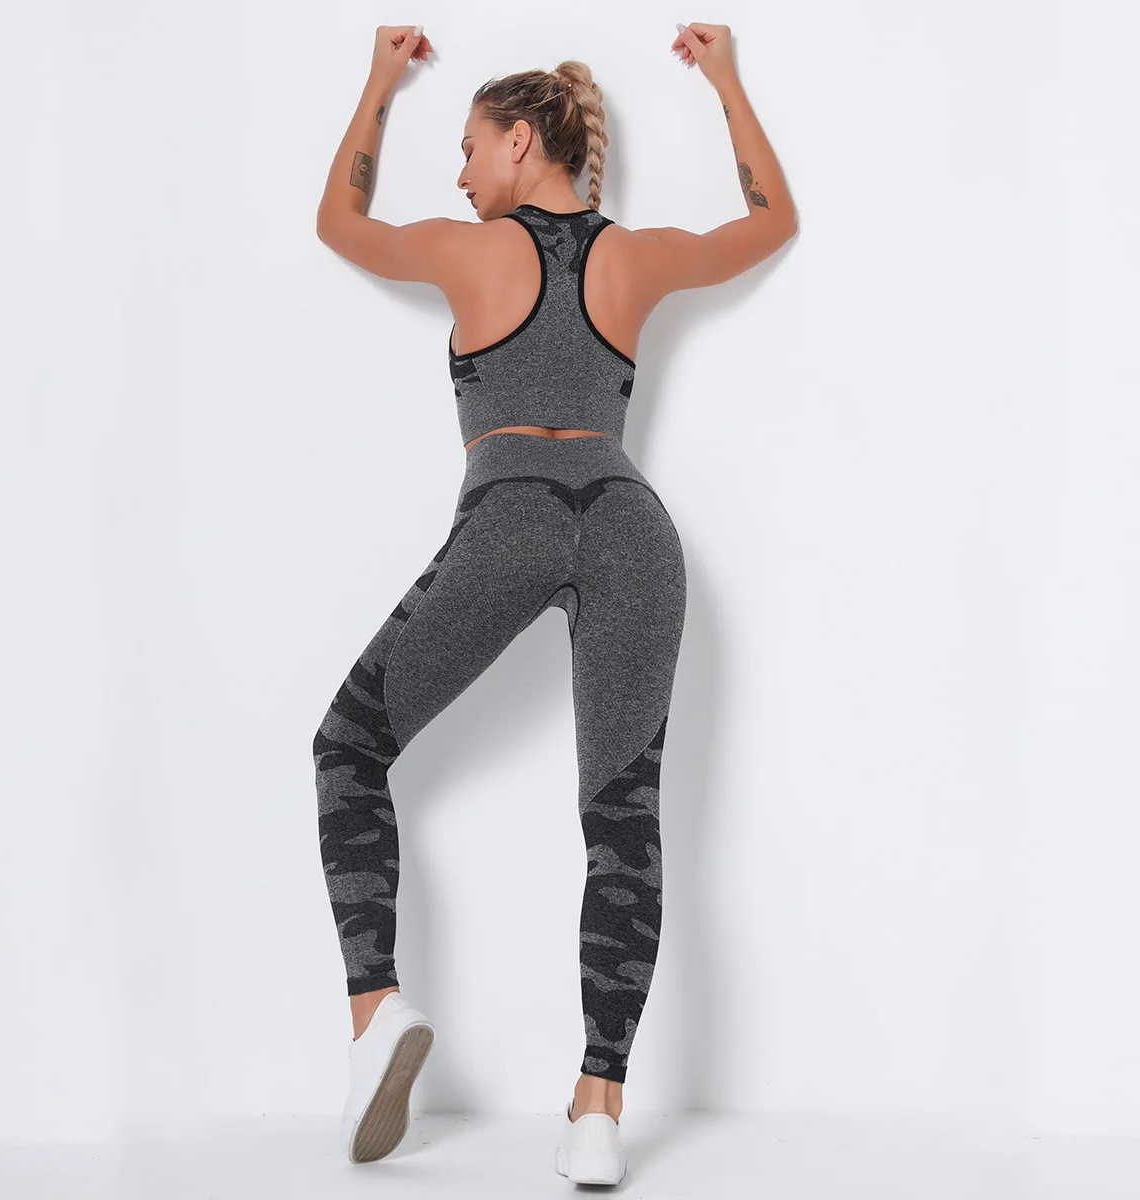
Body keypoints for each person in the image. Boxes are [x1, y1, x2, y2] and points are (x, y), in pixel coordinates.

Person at [312, 20, 798, 1182]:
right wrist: (728, 81)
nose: (461, 172)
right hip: (634, 526)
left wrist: (377, 81)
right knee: (623, 822)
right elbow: (770, 221)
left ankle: (376, 1013)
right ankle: (598, 1108)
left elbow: (339, 222)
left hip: (514, 510)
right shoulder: (638, 259)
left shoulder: (469, 251)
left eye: (470, 147)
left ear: (522, 142)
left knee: (348, 747)